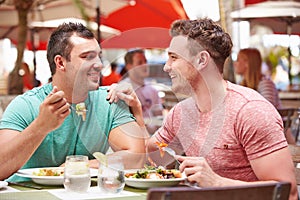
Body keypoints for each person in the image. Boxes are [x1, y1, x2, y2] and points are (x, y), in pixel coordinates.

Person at [107, 18, 297, 199]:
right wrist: (136, 111)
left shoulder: (250, 111)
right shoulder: (181, 113)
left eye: (174, 58)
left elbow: (287, 193)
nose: (166, 67)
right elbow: (147, 159)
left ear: (201, 60)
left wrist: (216, 182)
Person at [0, 22, 146, 182]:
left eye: (99, 56)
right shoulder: (26, 105)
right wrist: (41, 126)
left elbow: (137, 157)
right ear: (60, 63)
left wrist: (79, 167)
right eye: (87, 57)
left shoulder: (110, 100)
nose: (98, 64)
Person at [234, 48, 296, 144]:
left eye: (238, 60)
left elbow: (266, 112)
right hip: (253, 133)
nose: (235, 63)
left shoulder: (265, 83)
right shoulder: (241, 84)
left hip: (273, 135)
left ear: (247, 63)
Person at [121, 48, 164, 134]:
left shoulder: (152, 89)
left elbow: (159, 115)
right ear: (129, 67)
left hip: (154, 137)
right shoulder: (123, 89)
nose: (145, 65)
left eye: (145, 61)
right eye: (140, 62)